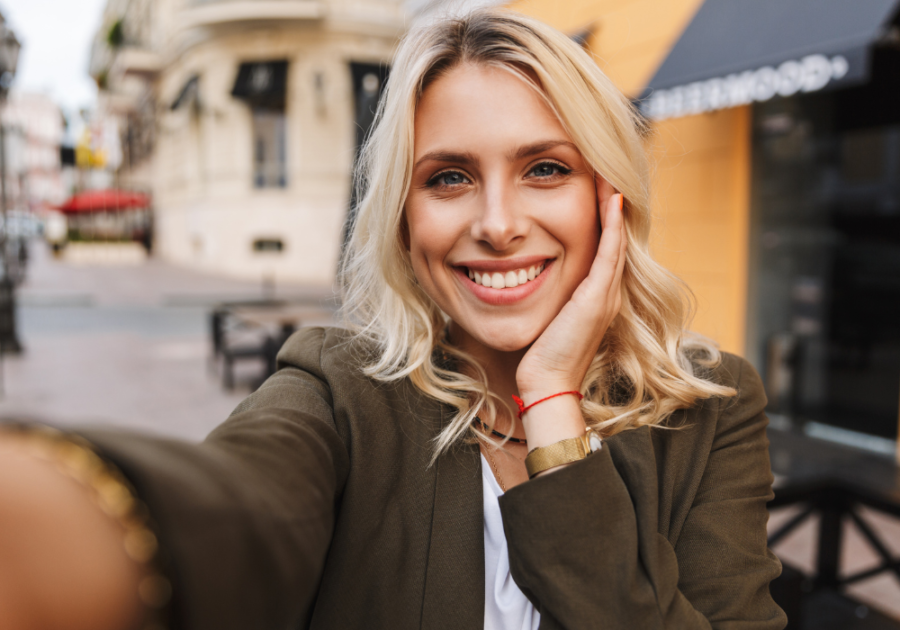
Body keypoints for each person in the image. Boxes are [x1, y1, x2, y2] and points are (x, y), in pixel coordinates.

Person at [0, 9, 786, 630]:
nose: (500, 223)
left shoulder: (710, 409)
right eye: (448, 178)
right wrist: (61, 515)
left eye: (545, 168)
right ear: (403, 219)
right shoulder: (340, 392)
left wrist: (551, 406)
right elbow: (236, 507)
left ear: (608, 195)